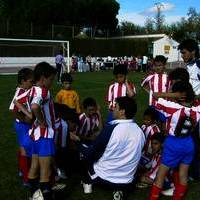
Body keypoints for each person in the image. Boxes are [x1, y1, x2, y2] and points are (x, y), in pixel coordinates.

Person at [70, 96, 145, 200]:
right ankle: (119, 190)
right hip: (128, 180)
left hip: (105, 178)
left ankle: (87, 182)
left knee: (84, 156)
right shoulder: (140, 131)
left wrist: (77, 141)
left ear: (122, 112)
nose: (113, 110)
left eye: (116, 107)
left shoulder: (111, 129)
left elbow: (90, 153)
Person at [149, 81, 200, 200]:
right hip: (189, 143)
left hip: (174, 143)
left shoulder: (172, 107)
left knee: (160, 176)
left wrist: (173, 95)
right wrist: (193, 96)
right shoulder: (197, 110)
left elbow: (154, 96)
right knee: (183, 174)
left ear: (179, 95)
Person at [15, 62, 57, 200]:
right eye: (51, 79)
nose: (52, 82)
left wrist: (29, 117)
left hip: (34, 135)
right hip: (44, 135)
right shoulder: (43, 91)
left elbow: (17, 101)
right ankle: (45, 196)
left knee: (34, 168)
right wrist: (42, 121)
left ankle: (33, 194)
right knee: (45, 172)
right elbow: (34, 106)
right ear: (43, 78)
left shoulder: (31, 90)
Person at [9, 68, 34, 186]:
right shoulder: (20, 92)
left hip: (22, 124)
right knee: (26, 150)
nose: (32, 84)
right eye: (30, 81)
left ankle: (21, 170)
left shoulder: (22, 90)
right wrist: (24, 119)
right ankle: (26, 178)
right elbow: (12, 108)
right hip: (22, 125)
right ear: (23, 81)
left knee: (22, 147)